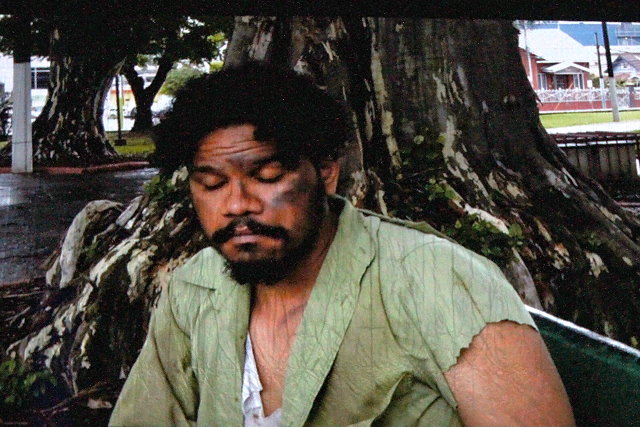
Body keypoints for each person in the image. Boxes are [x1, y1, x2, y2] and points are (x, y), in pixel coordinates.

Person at [109, 62, 574, 426]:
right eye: (211, 184)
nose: (236, 205)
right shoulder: (194, 288)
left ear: (327, 173)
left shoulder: (436, 279)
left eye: (267, 176)